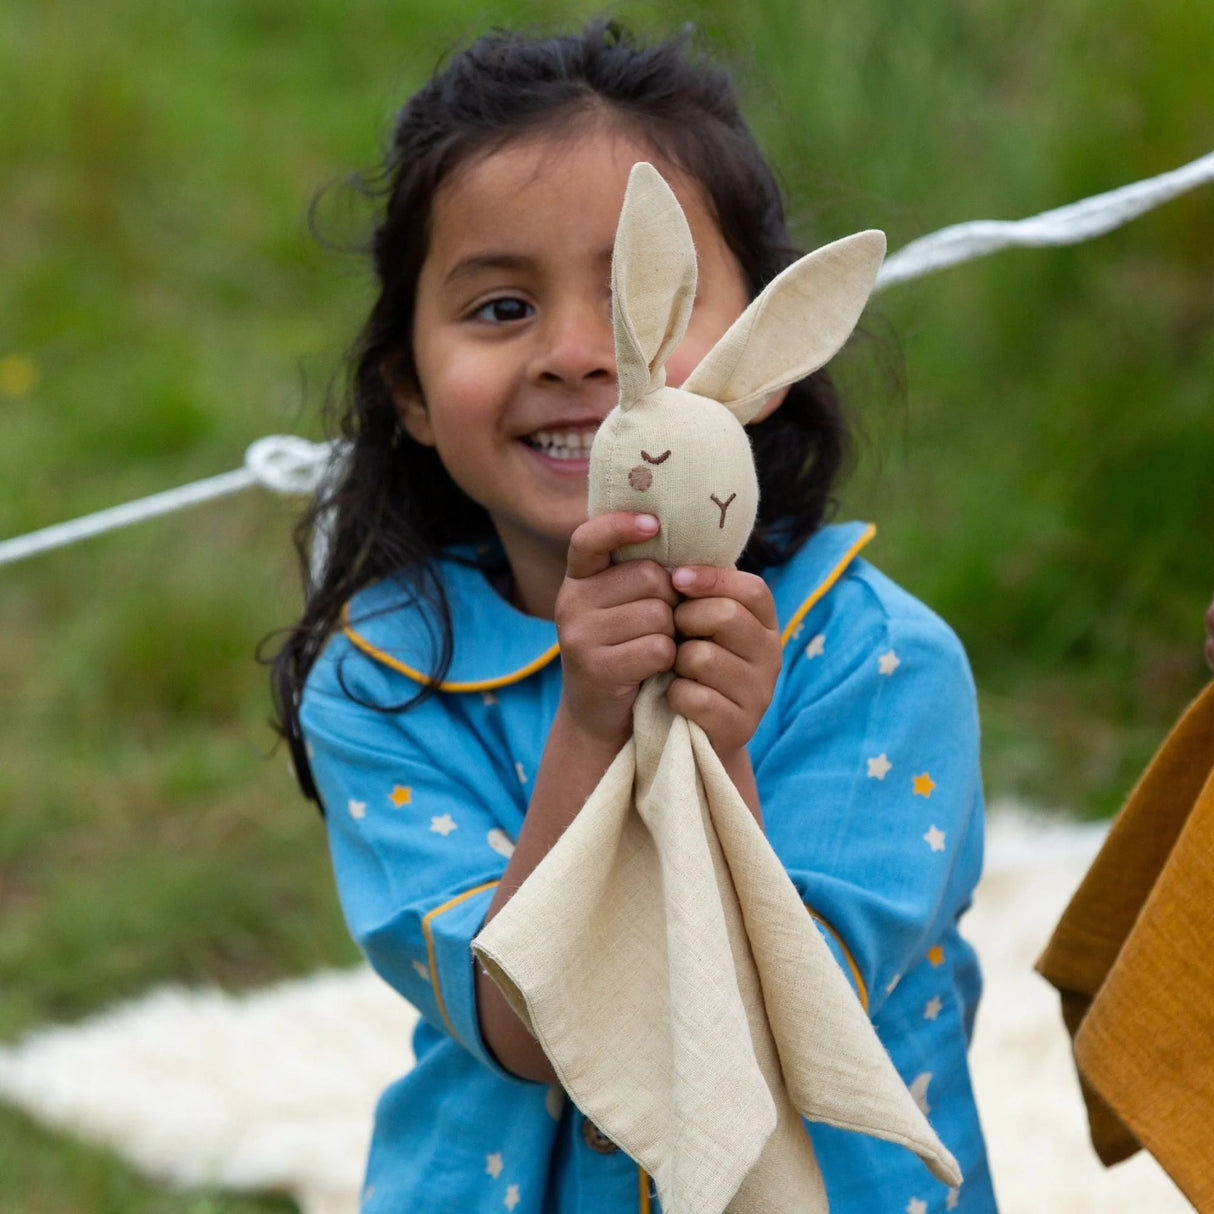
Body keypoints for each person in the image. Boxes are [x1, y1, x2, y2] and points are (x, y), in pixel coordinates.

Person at [272, 20, 996, 1212]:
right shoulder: (379, 679)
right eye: (499, 306)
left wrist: (711, 747)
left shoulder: (875, 659)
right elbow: (520, 1022)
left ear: (760, 353)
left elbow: (781, 1022)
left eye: (635, 311)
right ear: (407, 386)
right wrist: (593, 731)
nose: (573, 354)